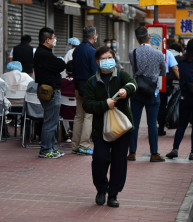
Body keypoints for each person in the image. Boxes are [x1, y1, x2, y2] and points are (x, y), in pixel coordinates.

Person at [83, 46, 137, 208]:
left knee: (119, 162)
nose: (107, 61)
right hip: (100, 128)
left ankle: (113, 194)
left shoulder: (121, 75)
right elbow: (87, 105)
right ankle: (101, 189)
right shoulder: (92, 81)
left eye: (109, 58)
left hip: (121, 127)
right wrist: (104, 104)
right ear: (98, 62)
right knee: (100, 159)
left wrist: (126, 91)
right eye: (103, 59)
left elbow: (133, 84)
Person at [127, 26, 166, 162]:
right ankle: (154, 153)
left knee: (134, 123)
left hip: (137, 90)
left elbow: (134, 68)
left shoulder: (132, 53)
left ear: (137, 39)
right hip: (152, 91)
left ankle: (132, 153)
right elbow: (164, 72)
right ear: (149, 37)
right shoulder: (159, 54)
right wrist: (154, 74)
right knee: (152, 124)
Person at [34, 27, 66, 158]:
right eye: (53, 38)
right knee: (50, 121)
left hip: (50, 89)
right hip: (50, 91)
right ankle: (46, 149)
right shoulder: (44, 54)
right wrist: (60, 61)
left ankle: (52, 147)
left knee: (53, 120)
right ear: (47, 40)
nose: (55, 40)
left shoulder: (44, 52)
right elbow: (60, 65)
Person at [71, 26, 98, 155]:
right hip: (89, 86)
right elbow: (95, 71)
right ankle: (84, 145)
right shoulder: (92, 51)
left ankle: (75, 145)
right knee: (89, 116)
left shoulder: (77, 50)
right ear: (93, 36)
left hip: (77, 86)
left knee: (78, 116)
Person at [157, 48, 179, 136]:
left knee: (151, 105)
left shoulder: (148, 50)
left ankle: (153, 127)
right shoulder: (167, 52)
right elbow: (174, 68)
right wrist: (181, 79)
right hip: (162, 80)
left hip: (148, 81)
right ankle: (161, 127)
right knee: (162, 105)